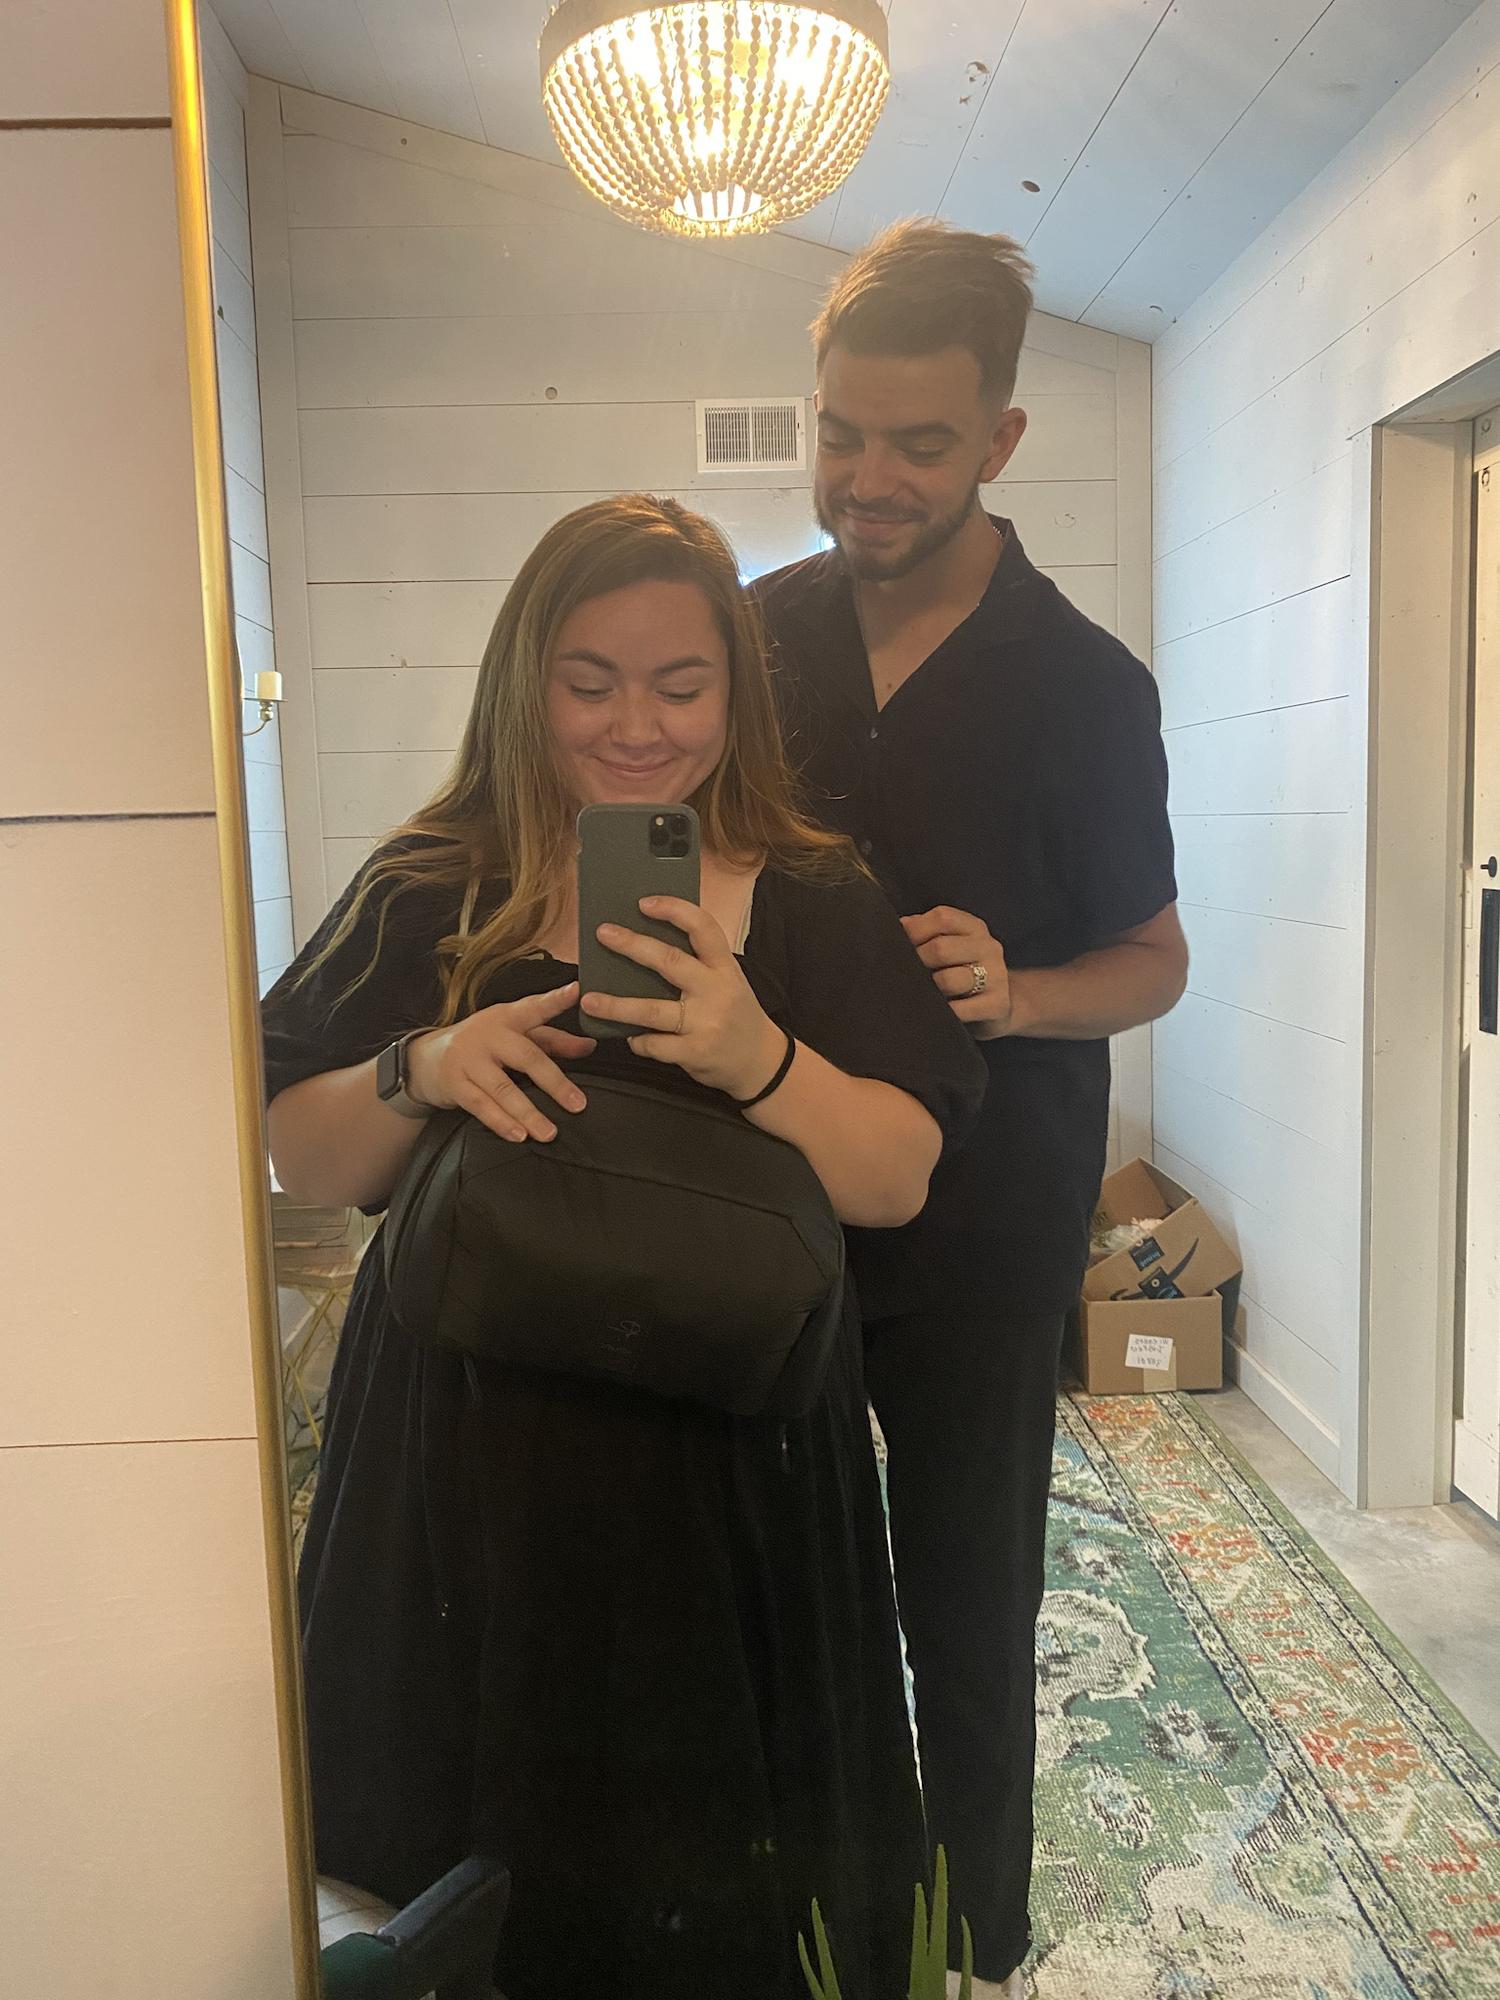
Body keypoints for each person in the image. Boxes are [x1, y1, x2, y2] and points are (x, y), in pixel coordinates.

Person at [262, 494, 987, 2000]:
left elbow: (899, 1179)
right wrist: (423, 1066)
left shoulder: (816, 893)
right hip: (465, 1454)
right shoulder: (432, 880)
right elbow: (301, 1154)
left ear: (737, 692)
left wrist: (756, 1055)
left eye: (681, 684)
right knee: (474, 1859)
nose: (637, 728)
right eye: (589, 683)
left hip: (734, 1461)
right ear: (525, 683)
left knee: (727, 1864)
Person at [754, 222, 1188, 1997]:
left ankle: (978, 1949)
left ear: (1001, 438)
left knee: (967, 1602)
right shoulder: (748, 640)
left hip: (991, 1223)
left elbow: (1154, 960)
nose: (869, 478)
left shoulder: (1088, 688)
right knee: (775, 1590)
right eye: (841, 434)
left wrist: (1019, 994)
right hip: (770, 1198)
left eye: (919, 444)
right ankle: (790, 1925)